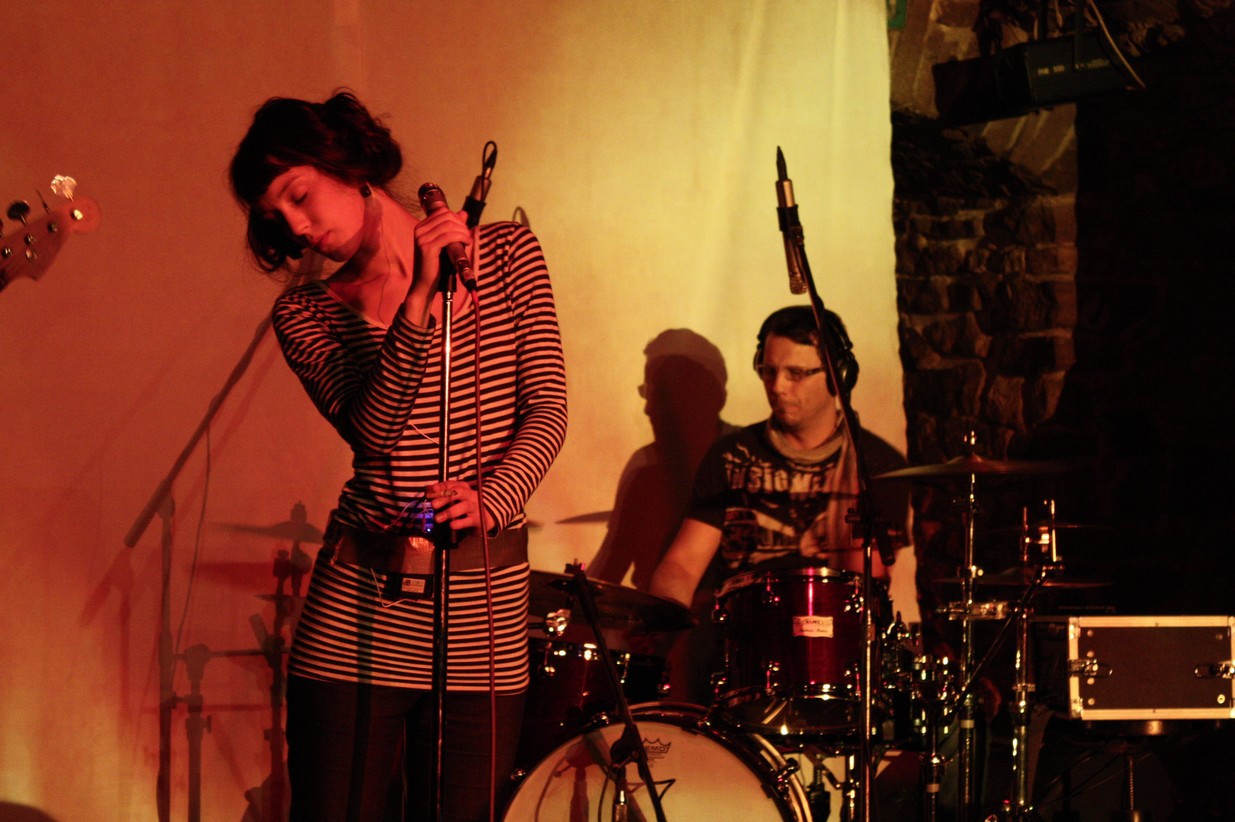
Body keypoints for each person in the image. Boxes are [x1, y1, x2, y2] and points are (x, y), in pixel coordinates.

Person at [229, 91, 567, 822]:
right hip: (361, 604)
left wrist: (492, 499)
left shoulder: (508, 254)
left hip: (483, 608)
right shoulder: (306, 313)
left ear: (346, 165)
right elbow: (376, 432)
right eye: (278, 218)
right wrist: (417, 300)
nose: (299, 228)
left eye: (299, 196)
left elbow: (546, 408)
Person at [648, 305, 908, 702]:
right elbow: (682, 565)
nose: (778, 386)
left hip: (835, 667)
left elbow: (868, 580)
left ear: (837, 375)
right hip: (742, 666)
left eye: (796, 373)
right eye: (768, 371)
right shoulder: (731, 457)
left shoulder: (876, 464)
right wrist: (663, 615)